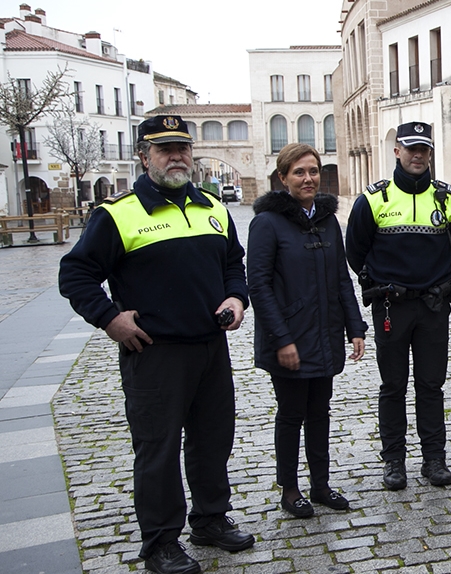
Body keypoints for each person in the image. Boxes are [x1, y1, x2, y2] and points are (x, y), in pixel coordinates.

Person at [58, 115, 254, 574]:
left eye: (182, 147)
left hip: (210, 347)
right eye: (165, 149)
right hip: (155, 353)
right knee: (158, 447)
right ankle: (161, 541)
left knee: (212, 441)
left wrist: (236, 297)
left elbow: (233, 264)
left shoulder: (212, 206)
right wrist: (109, 319)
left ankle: (209, 519)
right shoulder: (118, 213)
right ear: (144, 156)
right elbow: (76, 274)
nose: (177, 156)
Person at [346, 121, 451, 491]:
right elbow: (356, 253)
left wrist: (439, 286)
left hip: (432, 307)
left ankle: (434, 460)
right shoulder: (373, 199)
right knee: (393, 386)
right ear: (396, 151)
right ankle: (394, 461)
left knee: (432, 386)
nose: (418, 155)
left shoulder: (447, 199)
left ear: (430, 153)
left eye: (424, 149)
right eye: (410, 148)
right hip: (391, 307)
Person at [248, 143, 367, 518]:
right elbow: (259, 286)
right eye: (299, 172)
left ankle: (320, 485)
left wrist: (355, 327)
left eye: (313, 171)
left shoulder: (328, 221)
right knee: (291, 414)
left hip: (325, 334)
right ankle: (290, 488)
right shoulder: (267, 223)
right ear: (283, 177)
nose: (308, 178)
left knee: (320, 412)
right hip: (289, 339)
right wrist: (282, 339)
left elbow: (341, 280)